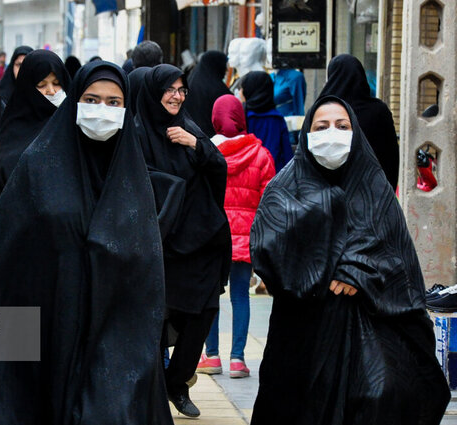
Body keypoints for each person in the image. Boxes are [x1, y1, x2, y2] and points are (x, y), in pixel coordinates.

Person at [0, 61, 174, 425]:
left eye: (113, 102)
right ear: (75, 102)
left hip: (114, 341)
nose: (101, 110)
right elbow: (0, 262)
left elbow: (146, 272)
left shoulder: (132, 179)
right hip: (45, 335)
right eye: (91, 99)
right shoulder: (39, 166)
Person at [249, 95, 450, 425]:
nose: (332, 134)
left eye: (342, 127)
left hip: (370, 330)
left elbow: (398, 257)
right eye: (321, 126)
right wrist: (324, 264)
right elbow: (269, 251)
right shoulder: (284, 189)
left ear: (356, 133)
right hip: (303, 337)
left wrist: (360, 269)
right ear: (308, 135)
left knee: (381, 396)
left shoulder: (375, 186)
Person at [135, 64, 231, 418]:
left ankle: (177, 380)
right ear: (153, 92)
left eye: (182, 90)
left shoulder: (189, 127)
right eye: (169, 90)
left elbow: (218, 169)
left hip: (203, 241)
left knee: (205, 312)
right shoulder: (137, 132)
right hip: (162, 244)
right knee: (158, 318)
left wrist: (198, 145)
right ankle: (157, 388)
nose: (177, 96)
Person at [197, 94, 275, 378]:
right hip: (246, 238)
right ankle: (238, 360)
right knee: (241, 296)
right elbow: (270, 200)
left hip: (212, 238)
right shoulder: (261, 154)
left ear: (215, 119)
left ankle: (212, 356)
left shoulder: (205, 152)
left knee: (212, 297)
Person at [0, 49, 71, 201]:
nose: (51, 91)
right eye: (42, 85)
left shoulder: (73, 127)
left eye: (57, 83)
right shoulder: (13, 130)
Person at [318, 54, 399, 190]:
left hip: (329, 194)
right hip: (372, 192)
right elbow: (390, 157)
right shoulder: (379, 110)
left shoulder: (323, 111)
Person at [242, 71, 293, 172]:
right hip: (274, 174)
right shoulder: (277, 119)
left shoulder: (243, 117)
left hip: (249, 174)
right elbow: (287, 153)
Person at [184, 51, 231, 138]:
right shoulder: (219, 90)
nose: (226, 70)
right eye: (224, 65)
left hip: (190, 137)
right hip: (213, 142)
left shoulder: (191, 82)